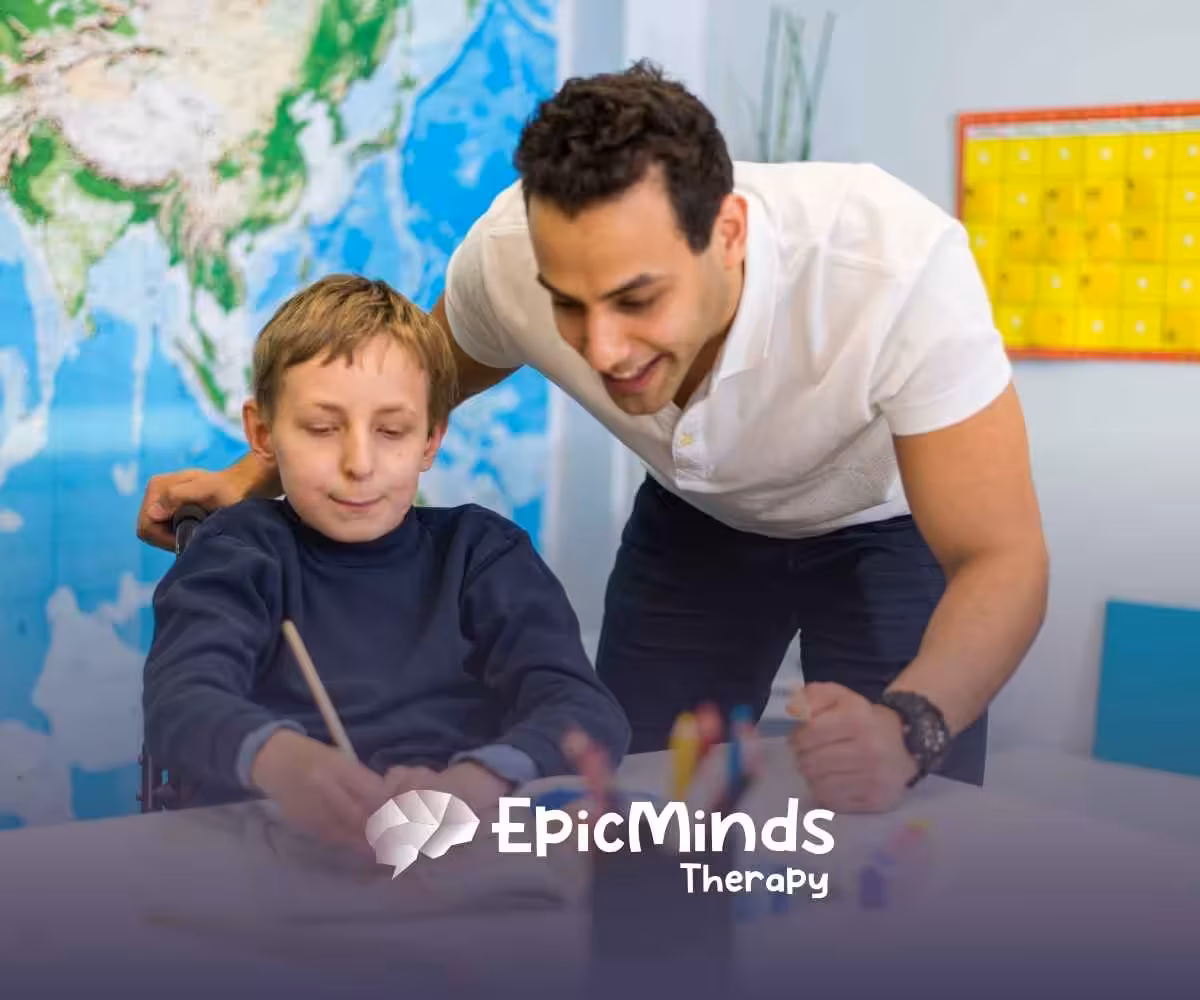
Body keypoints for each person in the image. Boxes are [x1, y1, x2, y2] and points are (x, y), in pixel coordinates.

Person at [138, 62, 1049, 815]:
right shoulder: (506, 260)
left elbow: (1002, 558)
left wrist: (913, 727)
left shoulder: (893, 266)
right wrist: (248, 479)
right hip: (696, 519)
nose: (603, 351)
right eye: (567, 306)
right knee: (634, 800)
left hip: (883, 524)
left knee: (890, 801)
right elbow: (391, 393)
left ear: (726, 234)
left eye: (636, 299)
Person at [142, 275, 630, 850]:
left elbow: (583, 709)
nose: (360, 463)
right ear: (263, 433)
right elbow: (181, 698)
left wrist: (474, 783)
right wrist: (285, 764)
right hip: (269, 854)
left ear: (430, 439)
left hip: (453, 854)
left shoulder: (482, 553)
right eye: (323, 428)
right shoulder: (237, 551)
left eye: (392, 431)